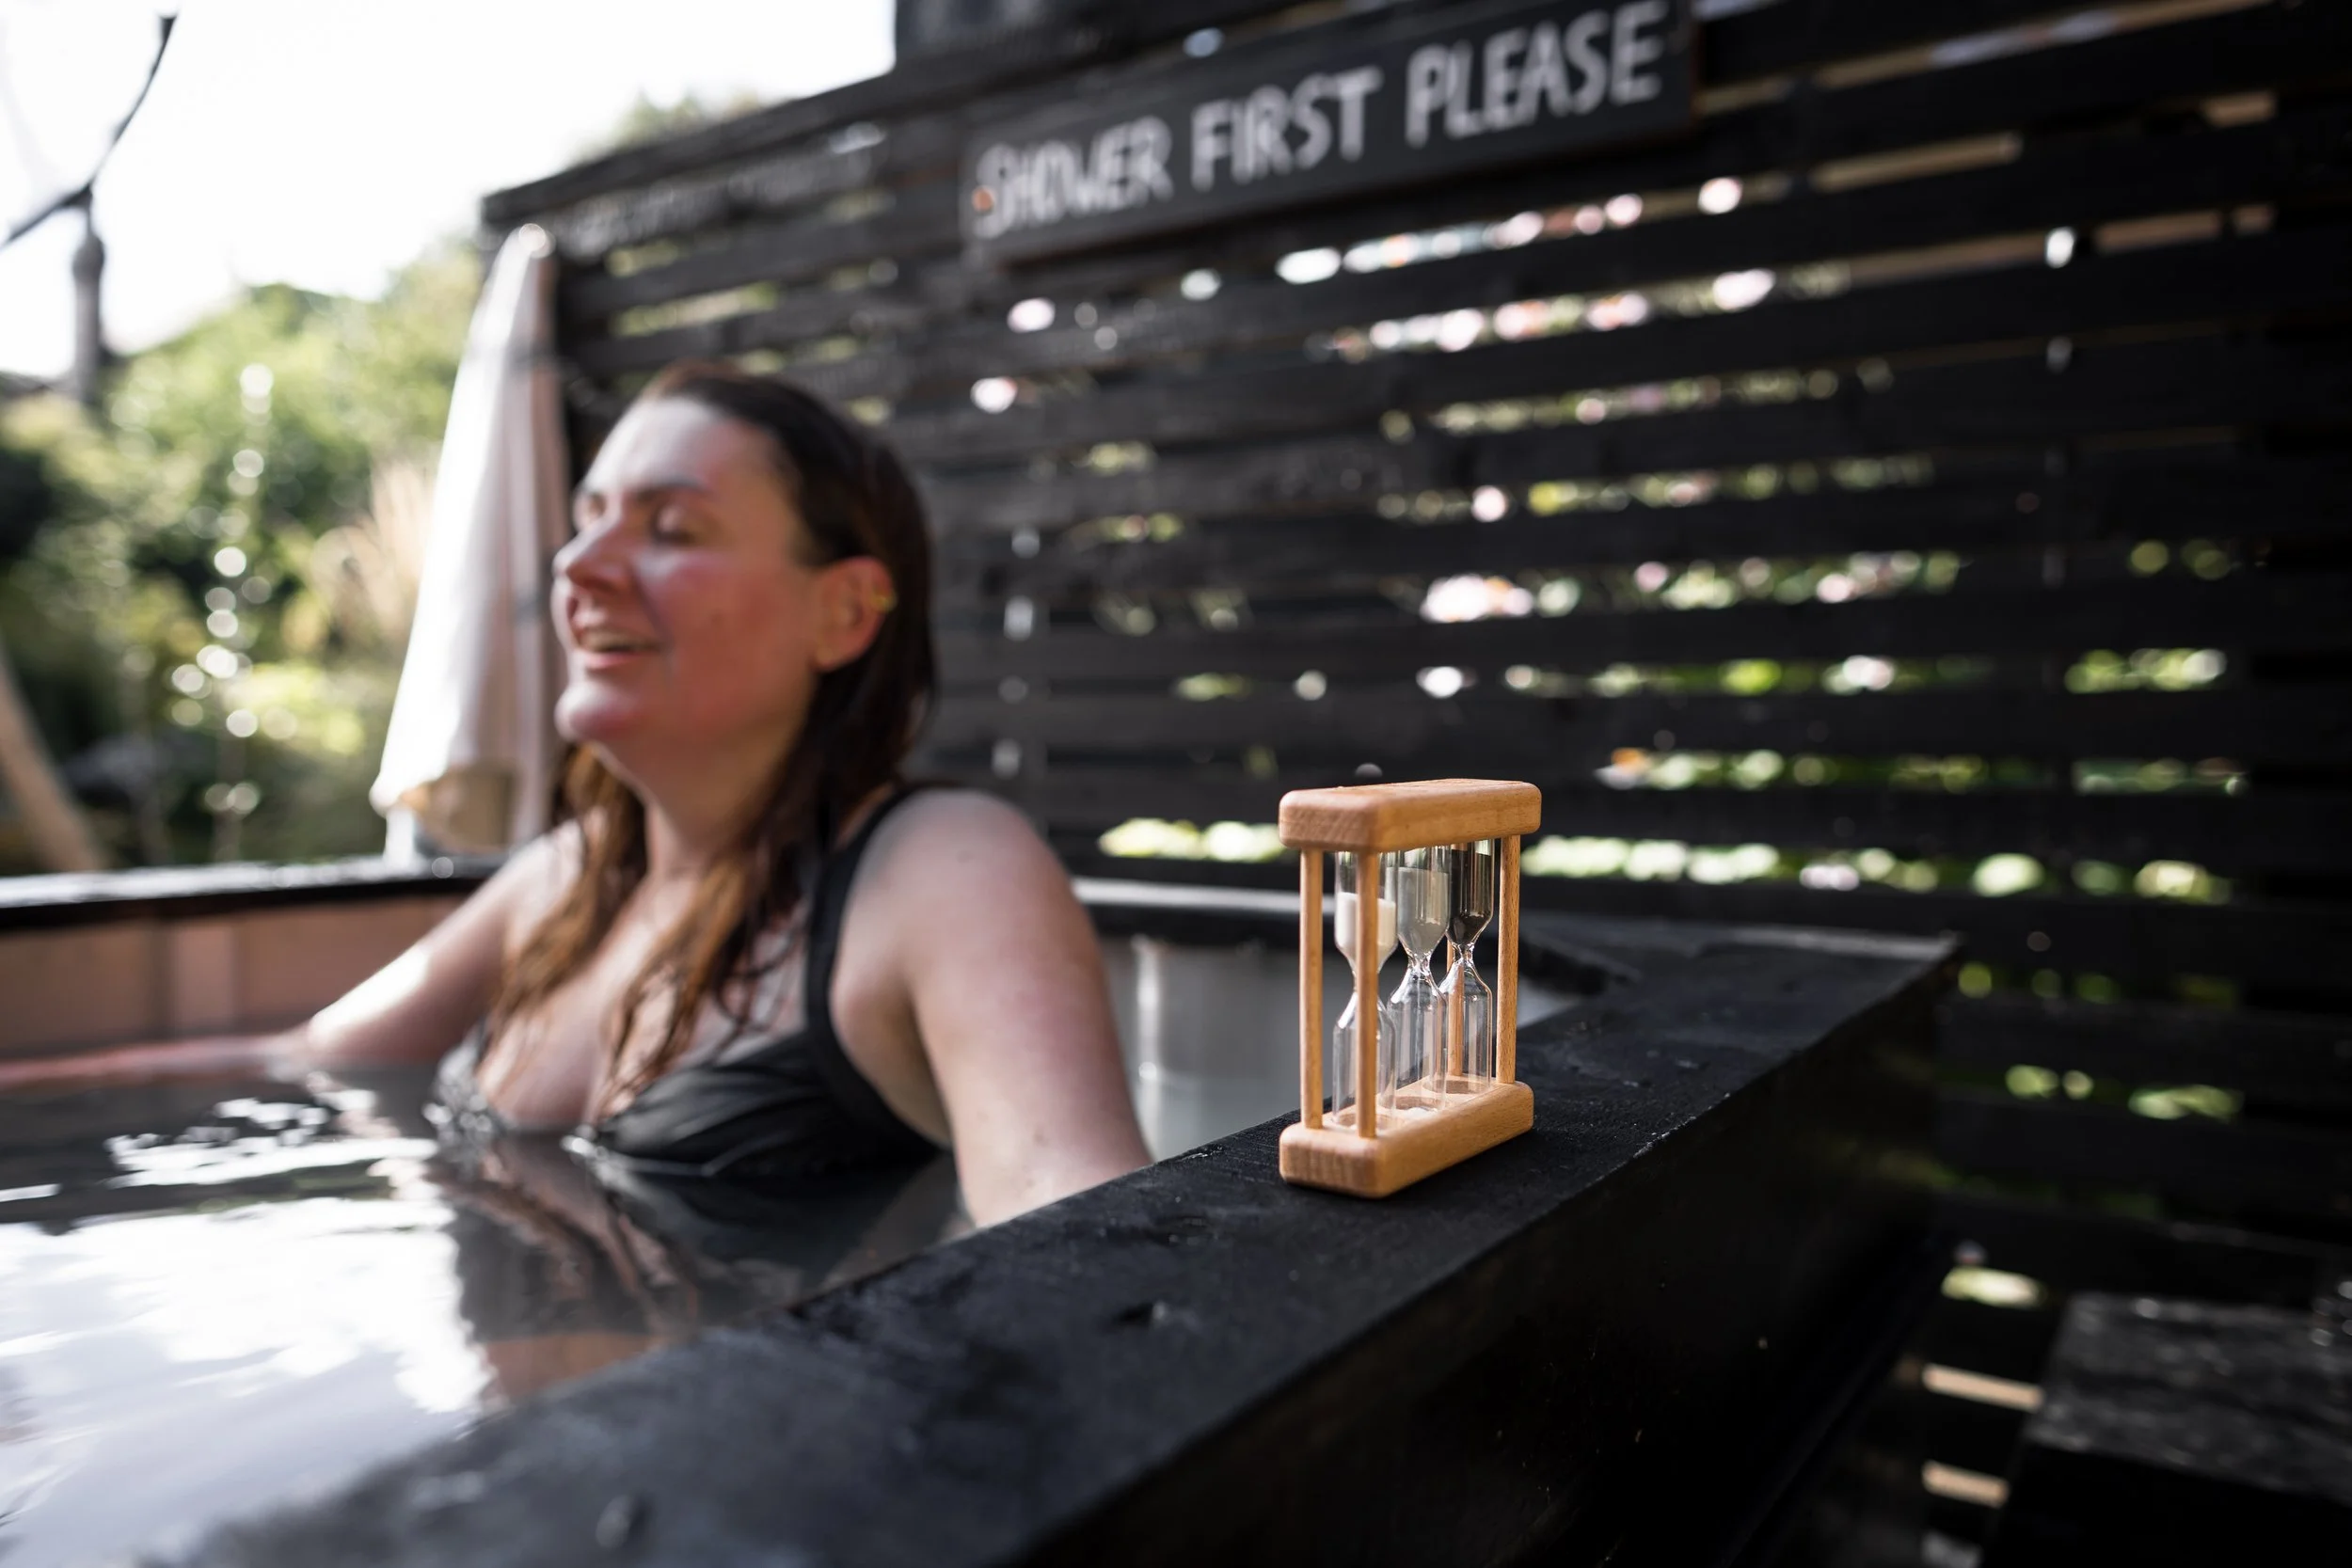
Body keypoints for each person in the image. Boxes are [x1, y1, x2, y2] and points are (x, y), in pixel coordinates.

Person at [270, 363, 1147, 1226]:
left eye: (673, 529)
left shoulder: (941, 871)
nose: (579, 566)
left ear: (842, 613)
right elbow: (300, 1066)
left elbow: (1082, 1231)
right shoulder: (570, 877)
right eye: (589, 519)